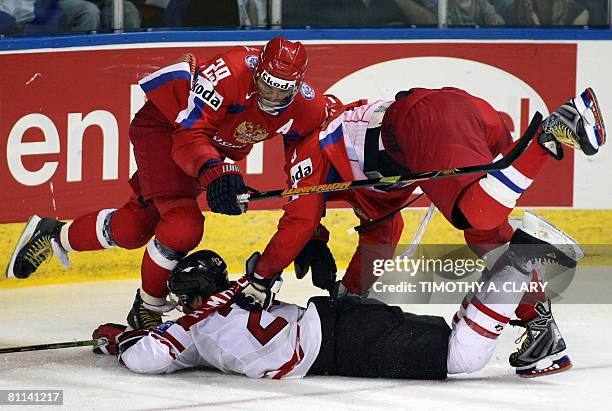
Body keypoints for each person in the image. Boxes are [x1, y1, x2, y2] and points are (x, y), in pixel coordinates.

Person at [234, 86, 605, 375]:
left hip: (426, 121)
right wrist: (349, 296)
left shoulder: (310, 145)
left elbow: (298, 220)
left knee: (473, 214)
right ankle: (540, 329)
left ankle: (547, 134)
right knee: (487, 237)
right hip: (467, 113)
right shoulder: (350, 152)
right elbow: (382, 234)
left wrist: (262, 277)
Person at [6, 35, 342, 331]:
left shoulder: (307, 108)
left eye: (283, 89)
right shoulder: (228, 72)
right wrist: (215, 173)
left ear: (298, 85)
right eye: (267, 84)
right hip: (165, 129)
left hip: (204, 149)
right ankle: (147, 307)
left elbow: (314, 159)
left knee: (135, 227)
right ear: (257, 71)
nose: (272, 95)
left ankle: (53, 234)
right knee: (183, 226)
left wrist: (313, 232)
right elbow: (189, 134)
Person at [93, 232, 579, 379]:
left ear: (188, 297)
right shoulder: (240, 293)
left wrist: (128, 340)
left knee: (461, 358)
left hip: (341, 344)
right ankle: (512, 271)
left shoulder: (189, 330)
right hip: (341, 323)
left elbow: (142, 361)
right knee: (452, 342)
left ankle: (517, 262)